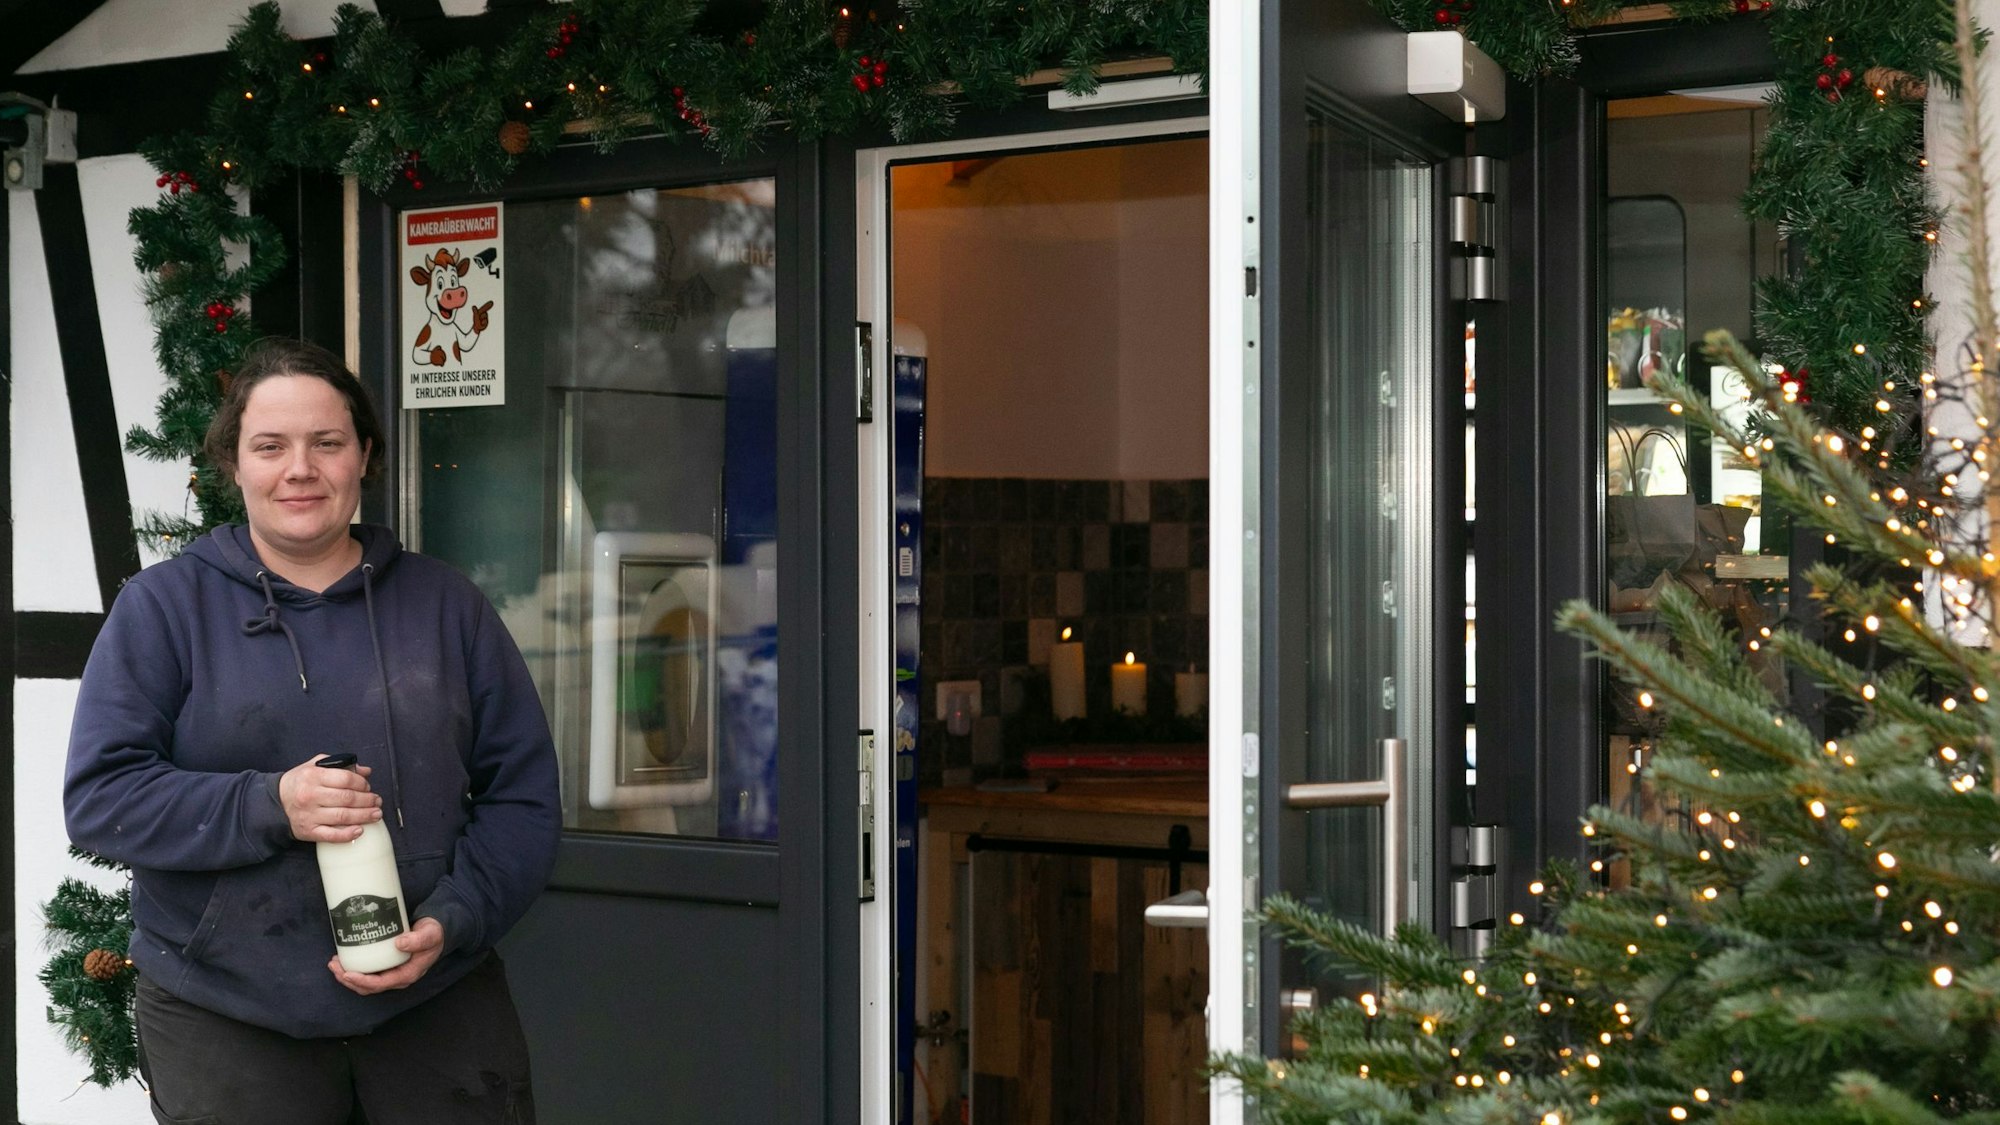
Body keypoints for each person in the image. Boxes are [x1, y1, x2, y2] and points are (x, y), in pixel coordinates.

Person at [63, 338, 561, 1124]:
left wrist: (455, 917)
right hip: (228, 1013)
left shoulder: (445, 606)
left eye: (327, 442)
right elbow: (101, 797)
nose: (300, 468)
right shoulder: (163, 609)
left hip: (436, 997)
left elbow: (524, 798)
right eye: (271, 446)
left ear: (364, 454)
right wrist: (271, 805)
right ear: (233, 463)